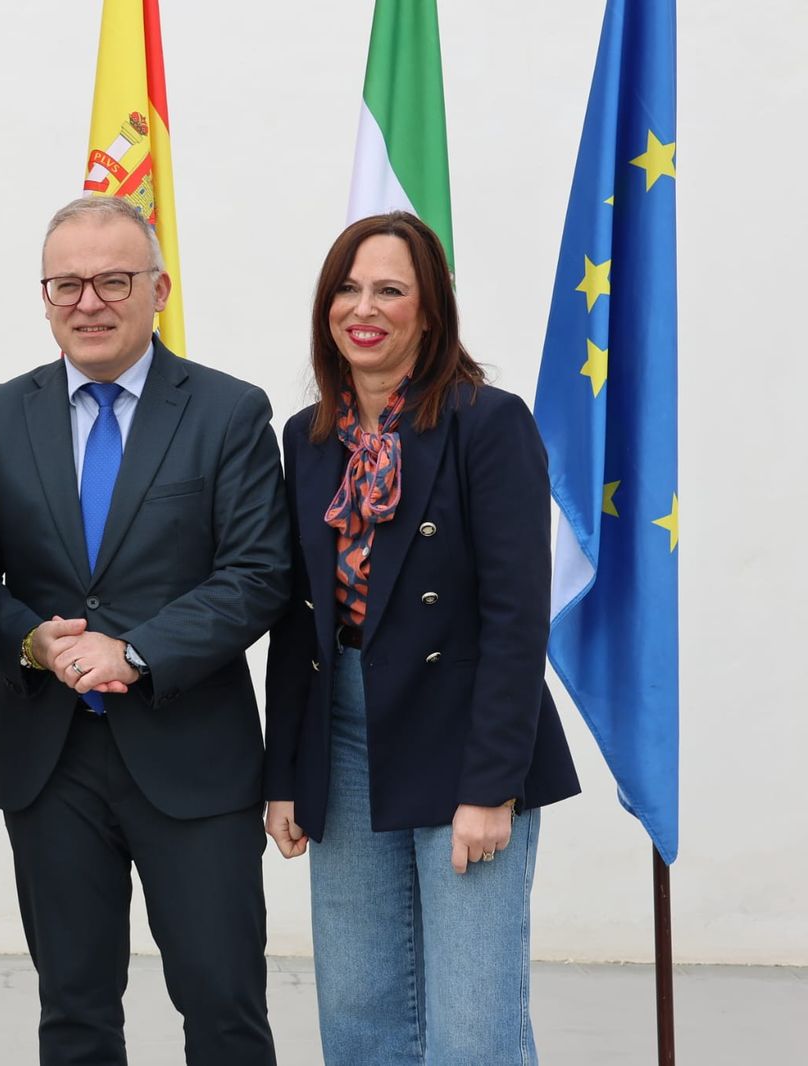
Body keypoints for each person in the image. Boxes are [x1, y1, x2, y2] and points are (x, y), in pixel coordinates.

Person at [0, 197, 292, 1065]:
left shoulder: (228, 411)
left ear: (159, 289)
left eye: (112, 281)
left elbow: (258, 574)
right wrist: (32, 642)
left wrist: (135, 652)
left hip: (192, 763)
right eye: (67, 284)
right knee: (74, 1009)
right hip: (49, 762)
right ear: (46, 294)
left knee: (223, 1006)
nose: (88, 302)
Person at [263, 211, 581, 1065]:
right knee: (363, 1017)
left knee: (473, 1028)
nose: (362, 307)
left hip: (463, 735)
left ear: (430, 311)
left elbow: (519, 617)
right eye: (347, 287)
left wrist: (490, 785)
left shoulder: (489, 422)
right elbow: (301, 619)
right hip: (346, 739)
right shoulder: (309, 438)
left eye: (390, 289)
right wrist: (287, 773)